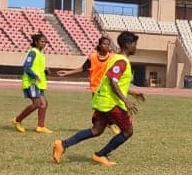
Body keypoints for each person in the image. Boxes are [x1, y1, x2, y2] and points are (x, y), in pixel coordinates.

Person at [51, 31, 147, 167]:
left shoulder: (115, 58)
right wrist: (126, 101)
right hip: (111, 103)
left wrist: (132, 93)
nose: (136, 47)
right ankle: (100, 155)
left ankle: (62, 144)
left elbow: (114, 82)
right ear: (127, 45)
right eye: (135, 44)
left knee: (96, 130)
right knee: (127, 132)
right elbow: (113, 82)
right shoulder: (121, 61)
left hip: (103, 101)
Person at [58, 35, 120, 134]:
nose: (107, 46)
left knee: (107, 106)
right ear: (99, 45)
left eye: (108, 44)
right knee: (99, 107)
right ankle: (108, 123)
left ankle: (107, 123)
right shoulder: (92, 57)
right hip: (95, 86)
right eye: (104, 44)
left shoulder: (112, 57)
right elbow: (83, 68)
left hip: (107, 86)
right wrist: (67, 72)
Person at [14, 33, 52, 134]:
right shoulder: (33, 52)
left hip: (39, 84)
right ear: (36, 42)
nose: (44, 43)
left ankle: (40, 127)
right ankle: (17, 120)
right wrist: (35, 76)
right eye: (42, 41)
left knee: (44, 104)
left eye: (45, 42)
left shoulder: (41, 54)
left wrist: (45, 71)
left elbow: (37, 67)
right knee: (37, 104)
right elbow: (26, 67)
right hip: (32, 82)